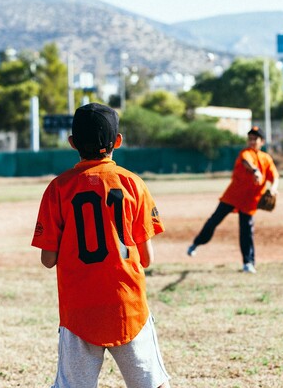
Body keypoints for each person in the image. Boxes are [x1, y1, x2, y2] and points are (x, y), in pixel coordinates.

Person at [31, 103, 170, 388]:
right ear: (117, 141)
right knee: (151, 384)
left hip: (78, 312)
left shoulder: (58, 188)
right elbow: (146, 258)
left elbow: (48, 259)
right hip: (127, 307)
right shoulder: (133, 184)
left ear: (72, 143)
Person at [187, 126, 279, 273]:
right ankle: (196, 243)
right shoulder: (245, 153)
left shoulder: (266, 159)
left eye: (255, 139)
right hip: (233, 196)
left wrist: (273, 189)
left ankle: (248, 263)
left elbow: (275, 177)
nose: (252, 141)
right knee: (214, 221)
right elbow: (246, 163)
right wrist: (255, 171)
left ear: (262, 141)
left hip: (250, 201)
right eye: (250, 138)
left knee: (246, 231)